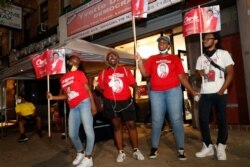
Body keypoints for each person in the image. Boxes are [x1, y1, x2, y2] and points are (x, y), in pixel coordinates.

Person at [135, 36, 198, 160]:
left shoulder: (174, 58)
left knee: (176, 120)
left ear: (169, 45)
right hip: (156, 93)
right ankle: (154, 147)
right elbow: (145, 74)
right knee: (157, 121)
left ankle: (181, 148)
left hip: (173, 91)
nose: (161, 44)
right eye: (159, 42)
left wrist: (192, 90)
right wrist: (140, 62)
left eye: (164, 42)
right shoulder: (152, 59)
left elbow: (181, 77)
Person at [47, 55, 97, 167]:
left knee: (88, 130)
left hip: (84, 103)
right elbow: (66, 95)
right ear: (68, 62)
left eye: (77, 63)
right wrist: (53, 97)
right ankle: (80, 152)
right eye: (73, 62)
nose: (75, 65)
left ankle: (89, 157)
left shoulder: (80, 74)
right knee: (72, 134)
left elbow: (87, 89)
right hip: (73, 107)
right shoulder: (63, 78)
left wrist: (93, 105)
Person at [96, 50, 144, 163]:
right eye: (110, 57)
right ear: (107, 60)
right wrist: (99, 89)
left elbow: (133, 83)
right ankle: (121, 152)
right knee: (116, 126)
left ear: (118, 59)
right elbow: (99, 87)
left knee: (131, 125)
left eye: (114, 56)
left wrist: (136, 89)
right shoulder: (103, 73)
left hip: (126, 102)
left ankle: (136, 150)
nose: (112, 57)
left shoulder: (125, 70)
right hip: (111, 103)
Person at [195, 32, 234, 160]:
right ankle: (207, 146)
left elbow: (230, 73)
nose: (204, 40)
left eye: (207, 38)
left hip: (219, 92)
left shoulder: (224, 54)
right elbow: (197, 76)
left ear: (215, 41)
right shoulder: (201, 58)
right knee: (203, 120)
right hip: (205, 92)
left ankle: (221, 145)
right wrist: (199, 72)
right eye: (204, 39)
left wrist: (223, 89)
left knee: (221, 119)